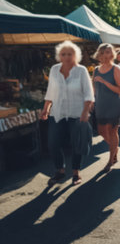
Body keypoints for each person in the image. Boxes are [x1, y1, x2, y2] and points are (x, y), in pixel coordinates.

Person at [40, 40, 94, 186]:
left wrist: (85, 111)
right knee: (53, 143)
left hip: (77, 113)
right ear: (59, 56)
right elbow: (50, 91)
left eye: (70, 54)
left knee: (77, 144)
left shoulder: (81, 71)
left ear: (75, 55)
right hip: (57, 113)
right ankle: (60, 170)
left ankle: (76, 173)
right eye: (63, 54)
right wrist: (46, 109)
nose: (67, 57)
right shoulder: (54, 70)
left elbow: (88, 93)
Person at [92, 43, 120, 172]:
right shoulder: (96, 70)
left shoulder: (116, 69)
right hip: (100, 105)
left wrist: (104, 81)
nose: (109, 54)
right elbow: (94, 88)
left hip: (114, 104)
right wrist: (93, 100)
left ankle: (111, 160)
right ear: (100, 54)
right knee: (101, 131)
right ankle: (114, 148)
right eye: (106, 52)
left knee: (112, 131)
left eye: (110, 52)